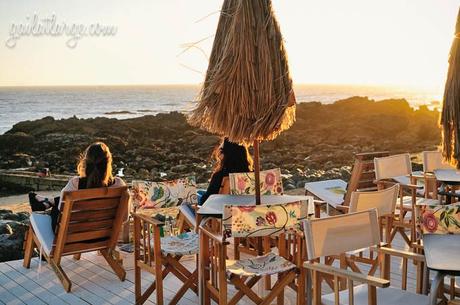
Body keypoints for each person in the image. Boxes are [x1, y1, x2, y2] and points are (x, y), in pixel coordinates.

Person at [28, 142, 125, 231]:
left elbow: (61, 208)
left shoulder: (76, 183)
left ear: (86, 162)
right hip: (103, 238)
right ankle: (48, 201)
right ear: (109, 162)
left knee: (57, 208)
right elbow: (124, 218)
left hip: (71, 237)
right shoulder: (119, 185)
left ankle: (47, 202)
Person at [199, 138, 253, 204]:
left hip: (219, 211)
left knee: (198, 195)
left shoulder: (220, 176)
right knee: (200, 192)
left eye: (221, 150)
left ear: (225, 154)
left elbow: (205, 201)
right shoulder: (253, 176)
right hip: (245, 211)